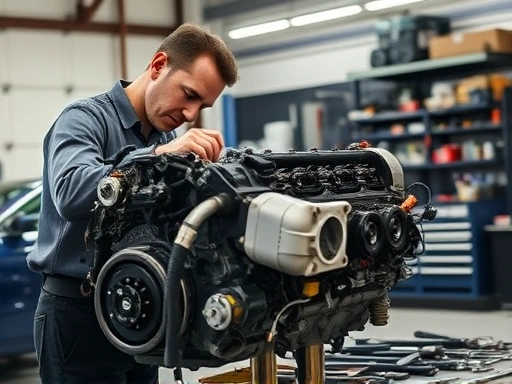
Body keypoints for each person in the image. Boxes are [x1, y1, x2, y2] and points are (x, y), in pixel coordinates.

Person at [27, 23, 239, 384]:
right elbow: (71, 193)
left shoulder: (166, 135)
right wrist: (155, 155)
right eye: (188, 94)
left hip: (142, 309)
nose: (191, 114)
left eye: (202, 105)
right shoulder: (84, 119)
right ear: (158, 65)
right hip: (77, 316)